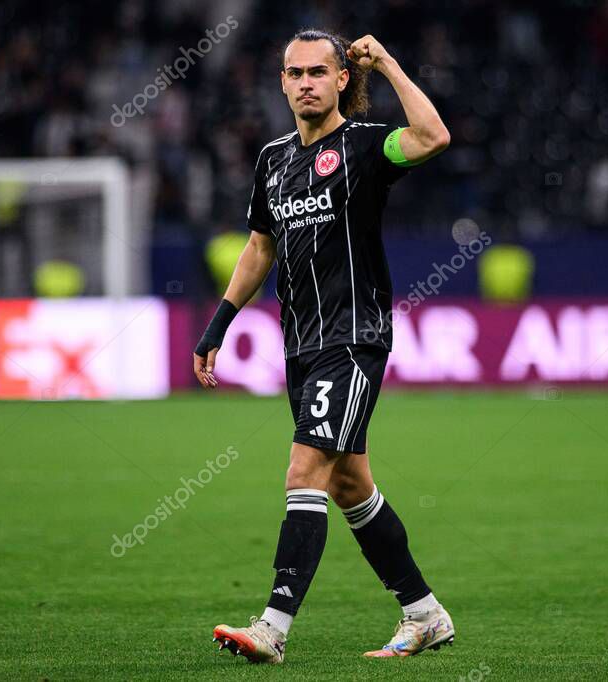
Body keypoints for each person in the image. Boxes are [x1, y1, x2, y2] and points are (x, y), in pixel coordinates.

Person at [192, 29, 452, 663]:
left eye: (317, 71)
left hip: (354, 338)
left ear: (340, 80)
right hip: (300, 345)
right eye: (294, 72)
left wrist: (387, 61)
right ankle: (424, 614)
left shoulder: (364, 145)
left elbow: (433, 137)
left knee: (303, 471)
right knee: (349, 484)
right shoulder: (273, 159)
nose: (305, 81)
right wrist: (218, 324)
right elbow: (260, 247)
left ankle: (272, 629)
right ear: (281, 83)